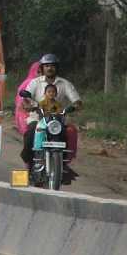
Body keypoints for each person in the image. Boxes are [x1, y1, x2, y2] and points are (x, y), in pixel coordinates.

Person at [20, 53, 82, 182]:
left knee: (69, 132)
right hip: (38, 117)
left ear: (56, 68)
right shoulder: (35, 82)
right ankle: (28, 165)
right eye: (46, 66)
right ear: (42, 68)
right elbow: (25, 99)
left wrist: (74, 106)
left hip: (57, 120)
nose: (49, 68)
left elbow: (77, 101)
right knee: (31, 133)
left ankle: (64, 164)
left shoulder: (65, 84)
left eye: (52, 66)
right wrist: (28, 105)